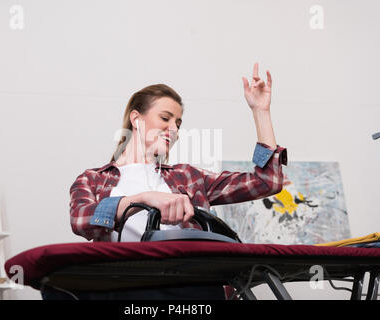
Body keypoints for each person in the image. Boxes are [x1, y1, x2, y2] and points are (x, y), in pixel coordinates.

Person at [45, 62, 288, 300]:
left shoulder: (189, 177)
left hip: (190, 287)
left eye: (178, 123)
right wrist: (143, 200)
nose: (174, 129)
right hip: (125, 288)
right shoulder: (93, 179)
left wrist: (261, 112)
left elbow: (267, 181)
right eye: (165, 118)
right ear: (136, 119)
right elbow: (80, 219)